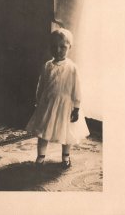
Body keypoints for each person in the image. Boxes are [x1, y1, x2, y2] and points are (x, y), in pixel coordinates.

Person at [26, 28, 89, 169]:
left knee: (67, 132)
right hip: (47, 104)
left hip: (66, 105)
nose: (58, 50)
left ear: (69, 47)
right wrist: (38, 101)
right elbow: (41, 85)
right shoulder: (47, 66)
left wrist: (76, 107)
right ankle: (41, 156)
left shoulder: (72, 68)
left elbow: (76, 88)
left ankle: (65, 156)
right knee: (43, 131)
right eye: (54, 47)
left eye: (63, 47)